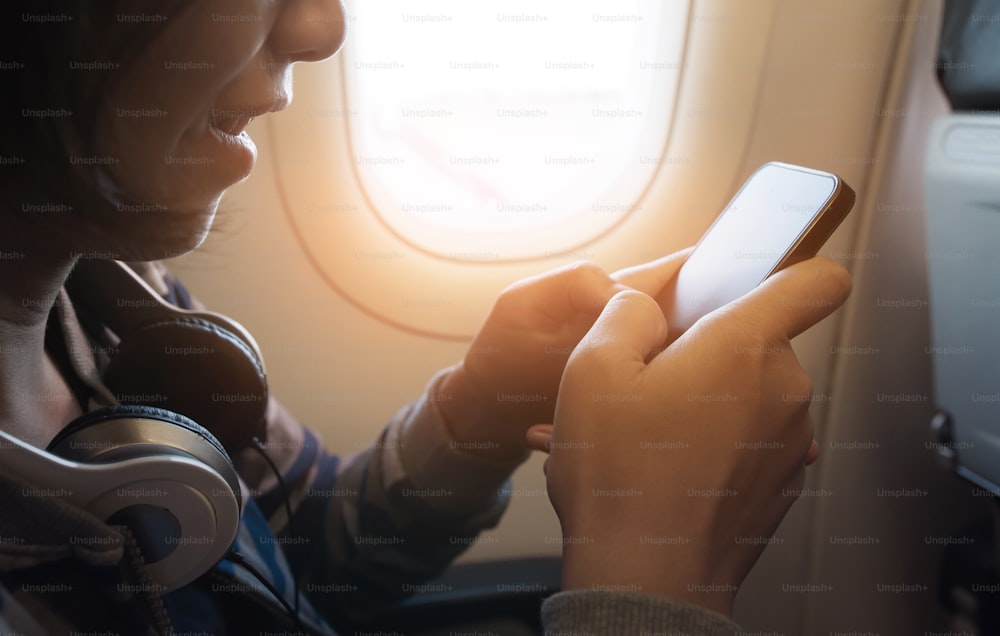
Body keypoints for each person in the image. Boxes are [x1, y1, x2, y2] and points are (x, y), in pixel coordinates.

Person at [0, 1, 851, 634]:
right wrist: (654, 588)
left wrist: (486, 408)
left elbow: (307, 565)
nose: (322, 27)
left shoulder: (121, 304)